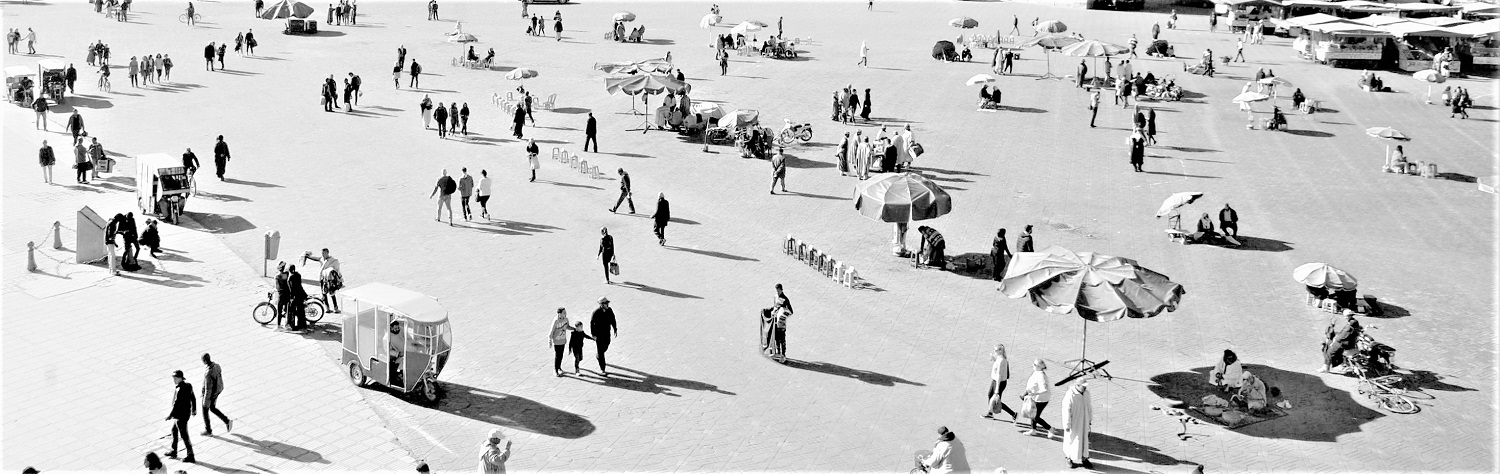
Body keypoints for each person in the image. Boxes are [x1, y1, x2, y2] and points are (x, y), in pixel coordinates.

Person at [164, 369, 197, 463]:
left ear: (179, 378)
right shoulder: (188, 385)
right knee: (174, 430)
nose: (173, 380)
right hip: (185, 413)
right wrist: (194, 409)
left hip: (180, 416)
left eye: (175, 378)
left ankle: (191, 455)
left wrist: (170, 416)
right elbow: (193, 397)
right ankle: (173, 451)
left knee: (184, 435)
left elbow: (176, 404)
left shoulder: (179, 389)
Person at [1061, 382, 1093, 469]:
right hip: (1074, 423)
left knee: (1084, 441)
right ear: (1078, 385)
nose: (1085, 388)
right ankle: (1069, 458)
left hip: (1084, 422)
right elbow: (1066, 410)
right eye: (1083, 386)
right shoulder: (1071, 394)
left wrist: (1089, 419)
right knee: (1071, 440)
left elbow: (1089, 407)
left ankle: (1084, 458)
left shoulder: (1086, 394)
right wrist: (1067, 424)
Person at [199, 353, 232, 436]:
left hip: (211, 394)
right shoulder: (217, 365)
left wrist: (205, 402)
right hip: (217, 391)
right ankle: (227, 421)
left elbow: (208, 389)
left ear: (204, 361)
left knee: (205, 411)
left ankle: (208, 430)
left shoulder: (208, 373)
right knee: (213, 408)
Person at [1020, 359, 1053, 436]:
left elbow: (1044, 389)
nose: (1033, 365)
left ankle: (1050, 428)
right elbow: (1031, 384)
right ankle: (1033, 430)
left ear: (1039, 367)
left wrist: (1034, 393)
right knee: (1032, 413)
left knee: (1035, 416)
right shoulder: (1036, 372)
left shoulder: (1041, 376)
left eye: (1034, 365)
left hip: (1042, 400)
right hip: (1035, 397)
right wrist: (1026, 392)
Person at [985, 344, 1018, 420]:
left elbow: (999, 375)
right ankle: (990, 413)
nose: (994, 351)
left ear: (1000, 351)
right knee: (990, 395)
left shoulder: (1002, 360)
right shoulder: (999, 358)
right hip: (994, 381)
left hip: (999, 382)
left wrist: (996, 390)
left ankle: (1013, 414)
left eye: (996, 350)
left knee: (996, 400)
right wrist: (994, 360)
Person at [303, 248, 342, 313]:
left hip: (330, 280)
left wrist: (339, 278)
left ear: (328, 252)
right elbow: (315, 258)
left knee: (332, 293)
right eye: (322, 253)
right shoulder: (322, 259)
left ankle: (335, 308)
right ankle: (327, 308)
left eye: (324, 253)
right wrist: (307, 256)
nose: (322, 254)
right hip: (322, 279)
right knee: (324, 293)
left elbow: (337, 270)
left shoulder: (333, 261)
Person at [590, 296, 618, 375]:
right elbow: (592, 323)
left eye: (607, 303)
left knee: (606, 345)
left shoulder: (609, 310)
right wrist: (593, 334)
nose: (607, 304)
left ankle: (598, 355)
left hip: (606, 333)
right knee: (601, 351)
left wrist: (615, 328)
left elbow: (613, 319)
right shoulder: (596, 312)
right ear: (601, 304)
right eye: (606, 303)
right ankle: (602, 369)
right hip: (599, 335)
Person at [549, 308, 570, 376]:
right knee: (558, 355)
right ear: (559, 313)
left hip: (563, 340)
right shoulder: (556, 321)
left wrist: (574, 329)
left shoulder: (566, 319)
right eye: (564, 313)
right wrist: (550, 340)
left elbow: (567, 326)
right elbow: (551, 330)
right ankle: (555, 370)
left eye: (565, 312)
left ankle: (559, 367)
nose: (565, 314)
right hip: (557, 341)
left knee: (561, 355)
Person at [286, 264, 308, 330]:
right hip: (301, 294)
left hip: (296, 296)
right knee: (301, 310)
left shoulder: (291, 277)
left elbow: (291, 288)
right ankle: (302, 325)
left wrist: (291, 297)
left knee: (291, 309)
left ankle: (292, 325)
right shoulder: (298, 275)